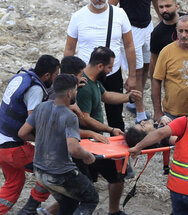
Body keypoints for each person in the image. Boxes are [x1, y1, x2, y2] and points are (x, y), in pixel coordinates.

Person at [0, 55, 59, 215]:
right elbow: (33, 121)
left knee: (14, 183)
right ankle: (30, 210)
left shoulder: (21, 77)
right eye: (55, 76)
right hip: (12, 148)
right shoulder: (35, 89)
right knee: (51, 169)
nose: (55, 79)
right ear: (47, 75)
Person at [18, 74, 99, 215]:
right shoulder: (70, 116)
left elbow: (22, 133)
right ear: (69, 93)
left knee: (69, 202)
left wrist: (46, 140)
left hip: (40, 171)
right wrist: (87, 156)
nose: (76, 93)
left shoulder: (41, 107)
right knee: (90, 199)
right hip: (60, 173)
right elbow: (73, 148)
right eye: (75, 90)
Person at [76, 46, 141, 215]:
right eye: (110, 67)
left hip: (96, 141)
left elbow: (106, 97)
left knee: (116, 176)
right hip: (85, 143)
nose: (111, 71)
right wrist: (111, 129)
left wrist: (129, 97)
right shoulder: (84, 86)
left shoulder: (94, 81)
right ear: (100, 66)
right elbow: (85, 118)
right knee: (82, 189)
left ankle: (114, 211)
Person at [64, 0, 136, 132]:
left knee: (116, 116)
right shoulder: (78, 16)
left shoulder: (119, 14)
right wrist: (68, 78)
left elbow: (129, 45)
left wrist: (132, 76)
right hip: (86, 76)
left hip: (112, 73)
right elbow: (69, 49)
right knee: (85, 117)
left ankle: (117, 148)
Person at [110, 0, 159, 123]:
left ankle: (134, 101)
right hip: (130, 27)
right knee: (137, 70)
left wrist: (161, 17)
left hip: (147, 25)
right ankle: (140, 112)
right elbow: (110, 6)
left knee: (147, 66)